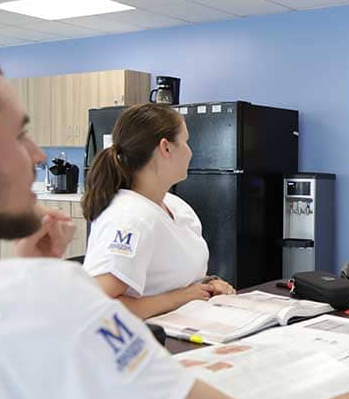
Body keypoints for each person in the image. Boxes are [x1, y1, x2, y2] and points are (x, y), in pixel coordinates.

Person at [0, 56, 349, 399]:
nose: (37, 154)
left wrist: (38, 273)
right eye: (19, 135)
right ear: (164, 148)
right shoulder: (42, 297)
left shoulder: (34, 292)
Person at [81, 103, 234, 319]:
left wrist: (208, 285)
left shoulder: (176, 206)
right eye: (186, 142)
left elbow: (169, 276)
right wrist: (180, 297)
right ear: (166, 148)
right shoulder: (130, 217)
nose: (190, 152)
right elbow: (97, 306)